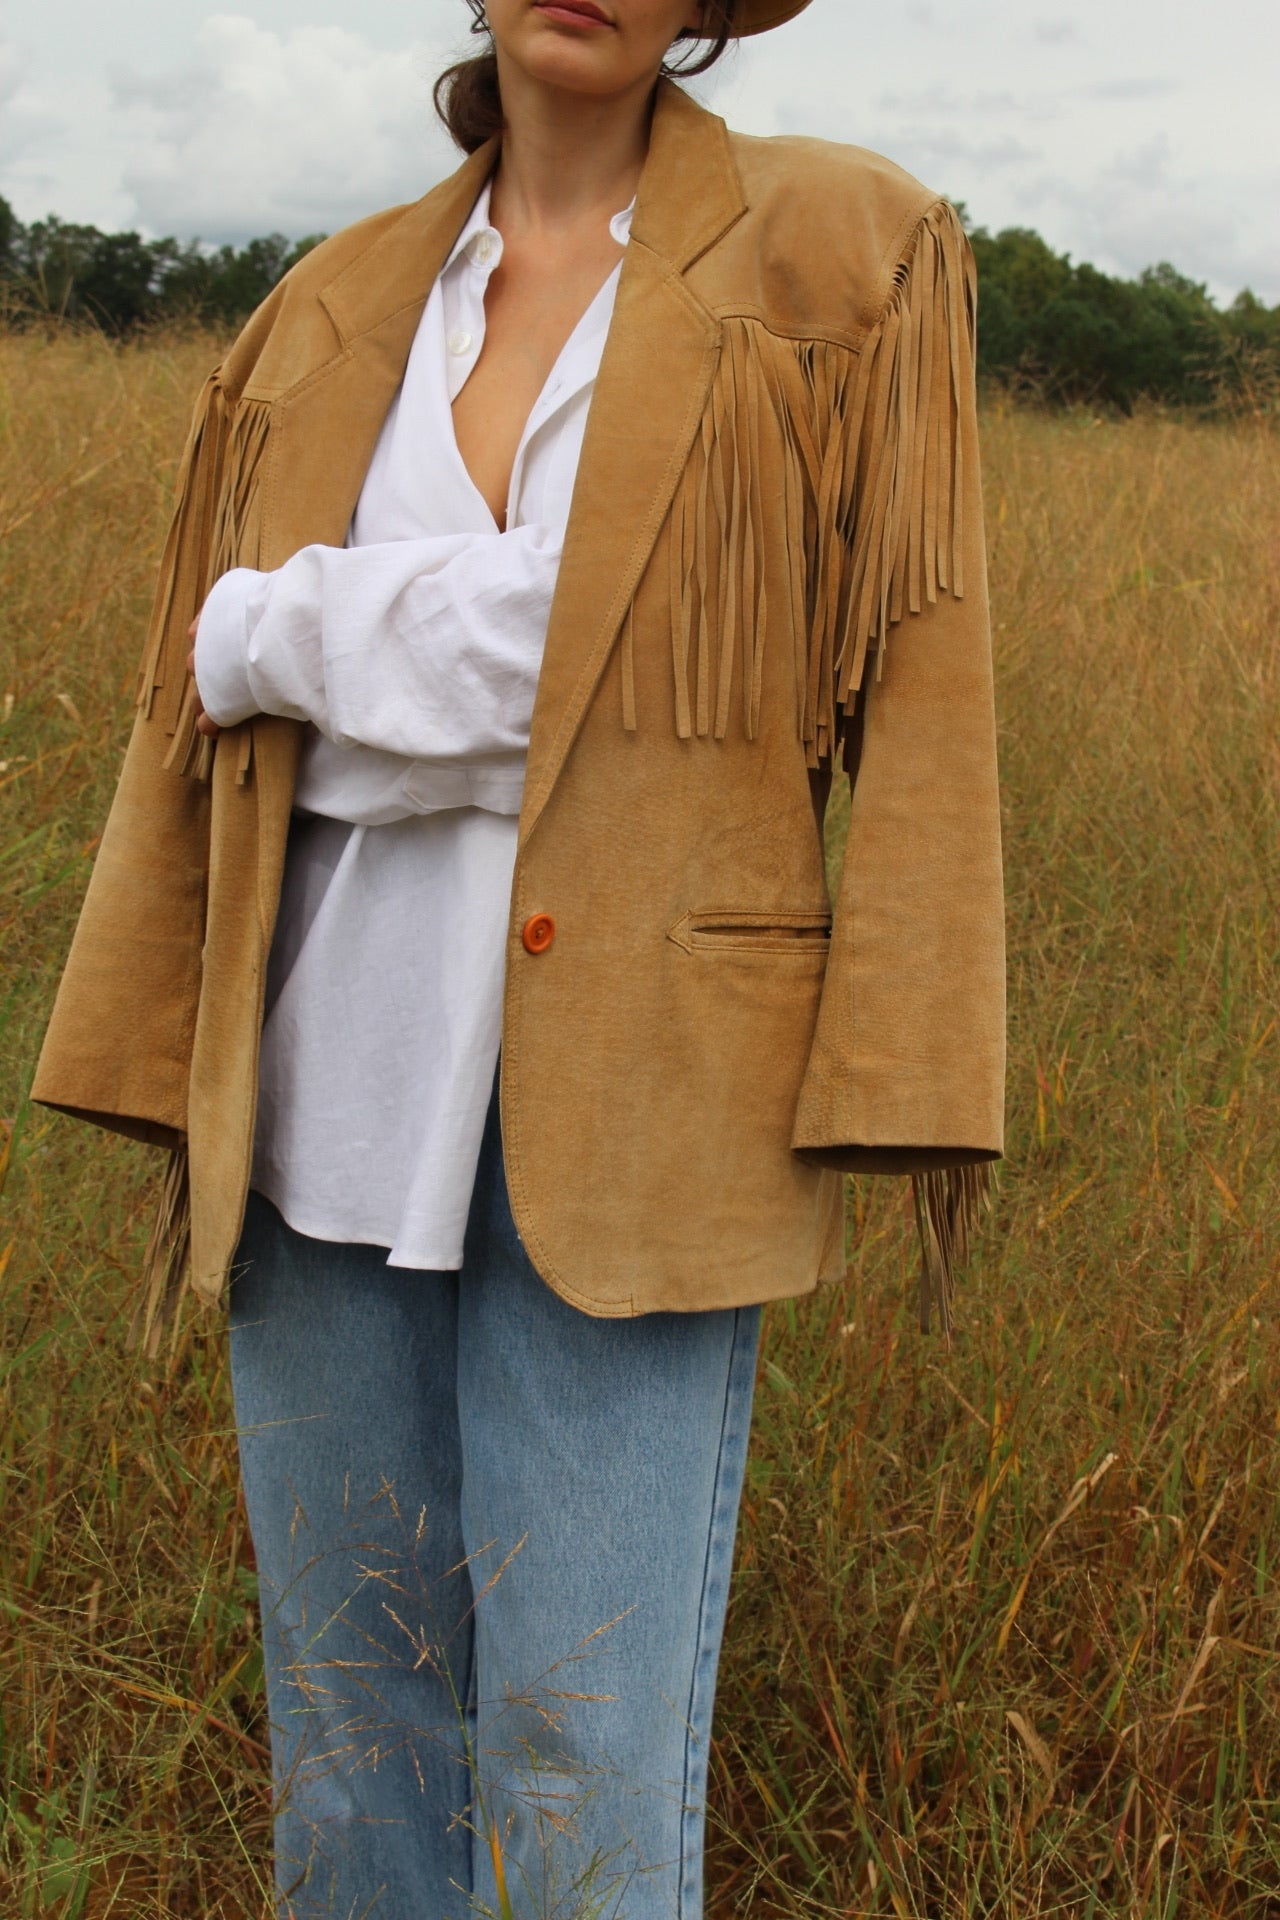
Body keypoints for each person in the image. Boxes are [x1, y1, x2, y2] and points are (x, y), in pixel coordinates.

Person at [34, 0, 1006, 1912]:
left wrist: (289, 627)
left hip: (651, 1103)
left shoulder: (846, 256)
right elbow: (221, 724)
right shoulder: (326, 306)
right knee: (346, 1742)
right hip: (325, 1088)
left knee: (581, 1758)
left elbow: (798, 649)